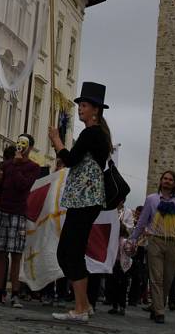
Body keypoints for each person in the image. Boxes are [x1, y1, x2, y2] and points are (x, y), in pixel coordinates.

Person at [48, 81, 112, 323]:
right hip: (84, 199)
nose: (80, 109)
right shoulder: (96, 134)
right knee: (69, 252)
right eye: (80, 105)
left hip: (85, 199)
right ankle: (84, 305)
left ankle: (81, 308)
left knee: (70, 252)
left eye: (84, 105)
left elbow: (71, 159)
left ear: (95, 110)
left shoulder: (92, 133)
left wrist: (57, 140)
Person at [128, 170, 175, 325]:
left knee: (168, 278)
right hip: (155, 241)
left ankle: (156, 306)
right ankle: (160, 312)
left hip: (173, 242)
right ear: (161, 181)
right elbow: (142, 221)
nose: (167, 181)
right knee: (156, 278)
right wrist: (133, 239)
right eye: (165, 179)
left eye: (170, 179)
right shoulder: (151, 199)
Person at [0, 133, 40, 308]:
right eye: (18, 142)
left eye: (24, 143)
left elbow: (23, 186)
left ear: (30, 147)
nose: (20, 145)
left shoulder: (33, 167)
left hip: (18, 213)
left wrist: (17, 166)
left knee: (16, 255)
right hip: (2, 210)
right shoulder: (6, 164)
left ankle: (15, 294)